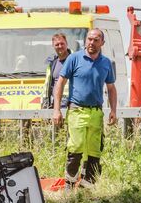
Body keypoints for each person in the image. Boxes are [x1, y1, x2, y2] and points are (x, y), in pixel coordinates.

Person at [52, 28, 117, 188]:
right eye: (89, 39)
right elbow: (60, 83)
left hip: (96, 112)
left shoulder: (106, 63)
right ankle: (70, 184)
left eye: (96, 40)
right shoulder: (74, 58)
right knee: (76, 146)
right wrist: (56, 110)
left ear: (102, 42)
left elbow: (111, 88)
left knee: (95, 150)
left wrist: (114, 110)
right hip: (76, 110)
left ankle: (87, 187)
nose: (91, 43)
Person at [44, 33, 72, 108]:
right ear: (53, 46)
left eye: (62, 44)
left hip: (70, 104)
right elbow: (48, 84)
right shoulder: (52, 62)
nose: (60, 46)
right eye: (57, 44)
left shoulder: (75, 60)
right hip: (55, 104)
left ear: (67, 44)